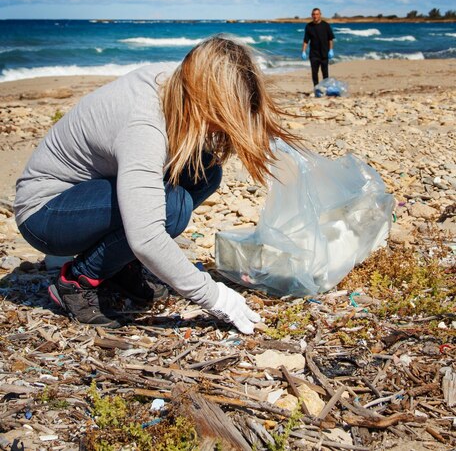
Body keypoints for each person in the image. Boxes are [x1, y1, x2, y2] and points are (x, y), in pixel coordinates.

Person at [14, 36, 296, 334]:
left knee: (205, 171)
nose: (221, 128)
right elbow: (147, 236)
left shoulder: (176, 80)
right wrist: (215, 297)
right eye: (222, 119)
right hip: (45, 213)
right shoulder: (145, 126)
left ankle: (118, 265)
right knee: (171, 208)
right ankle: (78, 280)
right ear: (207, 99)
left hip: (88, 193)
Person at [301, 8, 335, 87]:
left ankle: (326, 88)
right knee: (314, 73)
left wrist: (331, 50)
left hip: (324, 53)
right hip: (314, 54)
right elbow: (306, 40)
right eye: (313, 14)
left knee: (325, 73)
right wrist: (303, 51)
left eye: (317, 14)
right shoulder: (308, 26)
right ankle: (316, 89)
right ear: (311, 15)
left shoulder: (326, 25)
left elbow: (330, 39)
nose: (315, 16)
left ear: (320, 15)